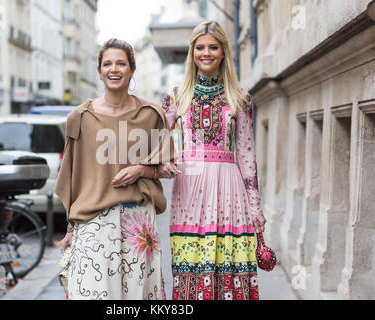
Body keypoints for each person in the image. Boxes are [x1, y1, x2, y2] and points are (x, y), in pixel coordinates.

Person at [54, 38, 176, 300]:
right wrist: (70, 229)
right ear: (99, 71)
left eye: (121, 63)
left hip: (138, 223)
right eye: (107, 64)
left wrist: (142, 170)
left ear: (132, 69)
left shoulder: (152, 114)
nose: (114, 69)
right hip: (93, 224)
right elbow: (74, 178)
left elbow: (169, 169)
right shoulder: (80, 117)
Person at [159, 20, 266, 300]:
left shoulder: (239, 97)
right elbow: (155, 140)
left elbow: (246, 154)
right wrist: (164, 164)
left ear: (223, 52)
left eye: (213, 47)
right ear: (192, 53)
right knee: (190, 266)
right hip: (189, 189)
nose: (206, 53)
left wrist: (255, 207)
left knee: (228, 267)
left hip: (229, 191)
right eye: (200, 47)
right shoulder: (175, 96)